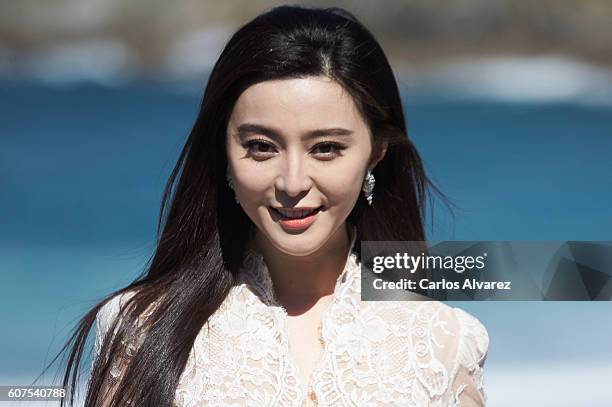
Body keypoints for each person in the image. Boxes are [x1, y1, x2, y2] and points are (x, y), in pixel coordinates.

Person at [59, 5, 489, 406]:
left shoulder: (443, 341)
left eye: (326, 148)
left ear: (377, 152)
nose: (293, 182)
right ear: (224, 152)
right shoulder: (141, 327)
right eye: (262, 147)